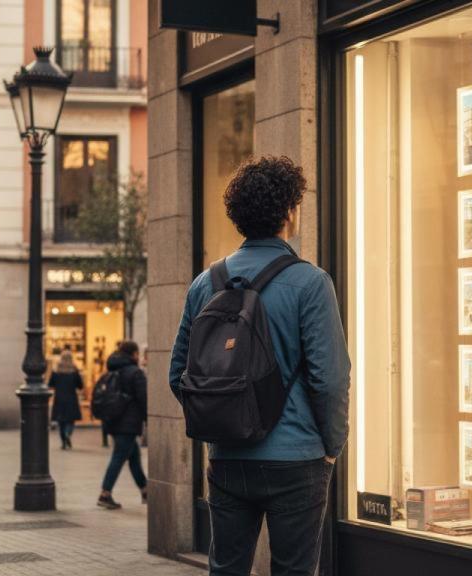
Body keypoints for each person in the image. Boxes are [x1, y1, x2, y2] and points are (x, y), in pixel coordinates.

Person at [168, 156, 351, 576]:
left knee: (226, 569)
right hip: (297, 457)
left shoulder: (205, 284)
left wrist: (221, 420)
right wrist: (331, 447)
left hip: (228, 458)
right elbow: (330, 379)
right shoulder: (310, 282)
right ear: (289, 211)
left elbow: (178, 372)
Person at [96, 340, 147, 509]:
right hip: (128, 423)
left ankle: (146, 490)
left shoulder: (112, 370)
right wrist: (149, 419)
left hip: (113, 420)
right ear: (134, 354)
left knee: (133, 456)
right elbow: (144, 398)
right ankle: (105, 493)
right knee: (119, 456)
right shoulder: (135, 373)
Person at [49, 350, 83, 450]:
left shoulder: (56, 371)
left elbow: (50, 384)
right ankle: (68, 433)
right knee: (70, 420)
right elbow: (80, 385)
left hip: (59, 398)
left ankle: (63, 442)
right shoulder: (74, 371)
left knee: (61, 421)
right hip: (71, 398)